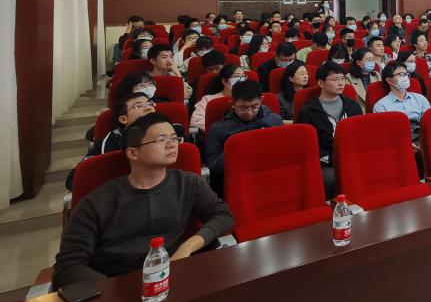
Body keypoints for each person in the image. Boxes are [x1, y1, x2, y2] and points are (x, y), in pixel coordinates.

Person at [53, 113, 235, 290]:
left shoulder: (188, 183)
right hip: (117, 289)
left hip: (174, 278)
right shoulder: (98, 202)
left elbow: (223, 215)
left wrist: (187, 247)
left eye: (174, 138)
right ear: (133, 153)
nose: (172, 144)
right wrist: (116, 291)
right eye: (161, 140)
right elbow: (68, 266)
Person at [296, 62, 363, 198]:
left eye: (342, 79)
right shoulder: (308, 111)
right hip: (326, 162)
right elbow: (307, 146)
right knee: (331, 178)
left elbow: (361, 135)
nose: (341, 83)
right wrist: (331, 159)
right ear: (321, 83)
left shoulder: (352, 106)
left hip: (353, 155)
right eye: (335, 79)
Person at [205, 80, 283, 194]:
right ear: (232, 104)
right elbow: (214, 168)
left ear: (261, 100)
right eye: (243, 108)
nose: (249, 112)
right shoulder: (218, 129)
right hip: (238, 180)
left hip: (270, 175)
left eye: (254, 106)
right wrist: (235, 148)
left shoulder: (274, 121)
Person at [373, 61, 431, 144]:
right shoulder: (381, 106)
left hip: (424, 140)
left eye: (406, 74)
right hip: (399, 143)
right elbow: (386, 133)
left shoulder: (420, 98)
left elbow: (430, 123)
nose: (405, 77)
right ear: (389, 80)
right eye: (400, 74)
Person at [191, 64, 246, 132]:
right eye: (237, 76)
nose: (241, 80)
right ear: (224, 81)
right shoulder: (209, 99)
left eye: (243, 76)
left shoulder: (249, 98)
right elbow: (196, 121)